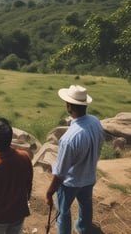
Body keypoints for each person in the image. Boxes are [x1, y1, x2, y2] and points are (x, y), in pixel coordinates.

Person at [45, 85, 105, 234]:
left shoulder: (69, 139)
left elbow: (60, 173)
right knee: (86, 203)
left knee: (63, 211)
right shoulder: (95, 122)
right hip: (89, 175)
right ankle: (83, 228)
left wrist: (49, 192)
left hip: (71, 183)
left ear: (69, 106)